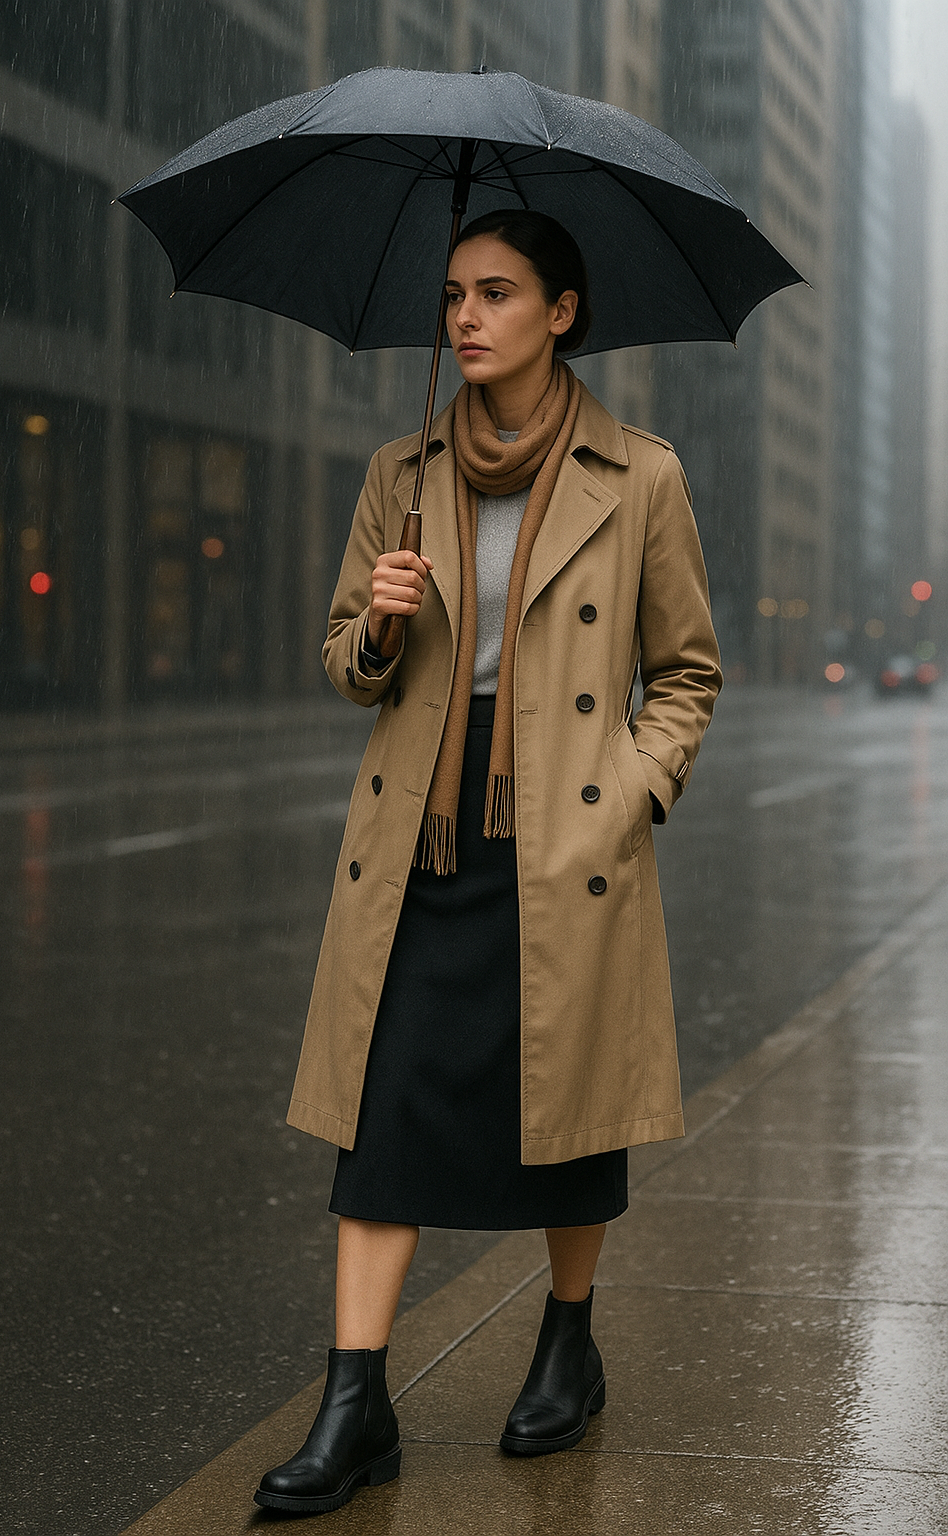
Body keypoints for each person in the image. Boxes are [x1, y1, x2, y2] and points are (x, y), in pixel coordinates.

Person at [254, 209, 722, 1516]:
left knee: (565, 1115)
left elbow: (686, 670)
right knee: (383, 1104)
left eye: (497, 293)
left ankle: (569, 1342)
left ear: (561, 313)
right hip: (425, 827)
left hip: (563, 834)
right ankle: (355, 1400)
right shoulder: (402, 473)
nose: (465, 316)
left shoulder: (643, 477)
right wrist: (382, 626)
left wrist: (631, 789)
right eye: (455, 293)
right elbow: (347, 657)